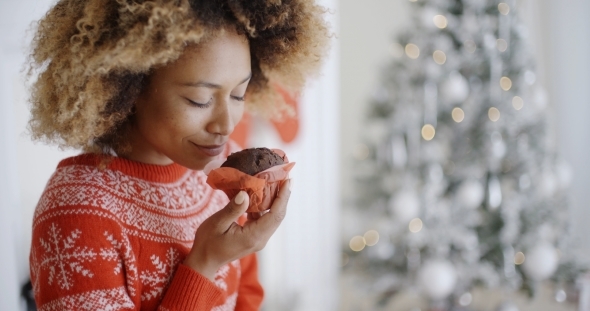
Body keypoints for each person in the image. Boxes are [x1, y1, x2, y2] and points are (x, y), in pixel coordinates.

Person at [26, 0, 330, 310]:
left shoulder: (227, 173)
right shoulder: (76, 212)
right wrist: (205, 263)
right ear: (127, 87)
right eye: (199, 100)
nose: (226, 125)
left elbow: (246, 295)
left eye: (238, 94)